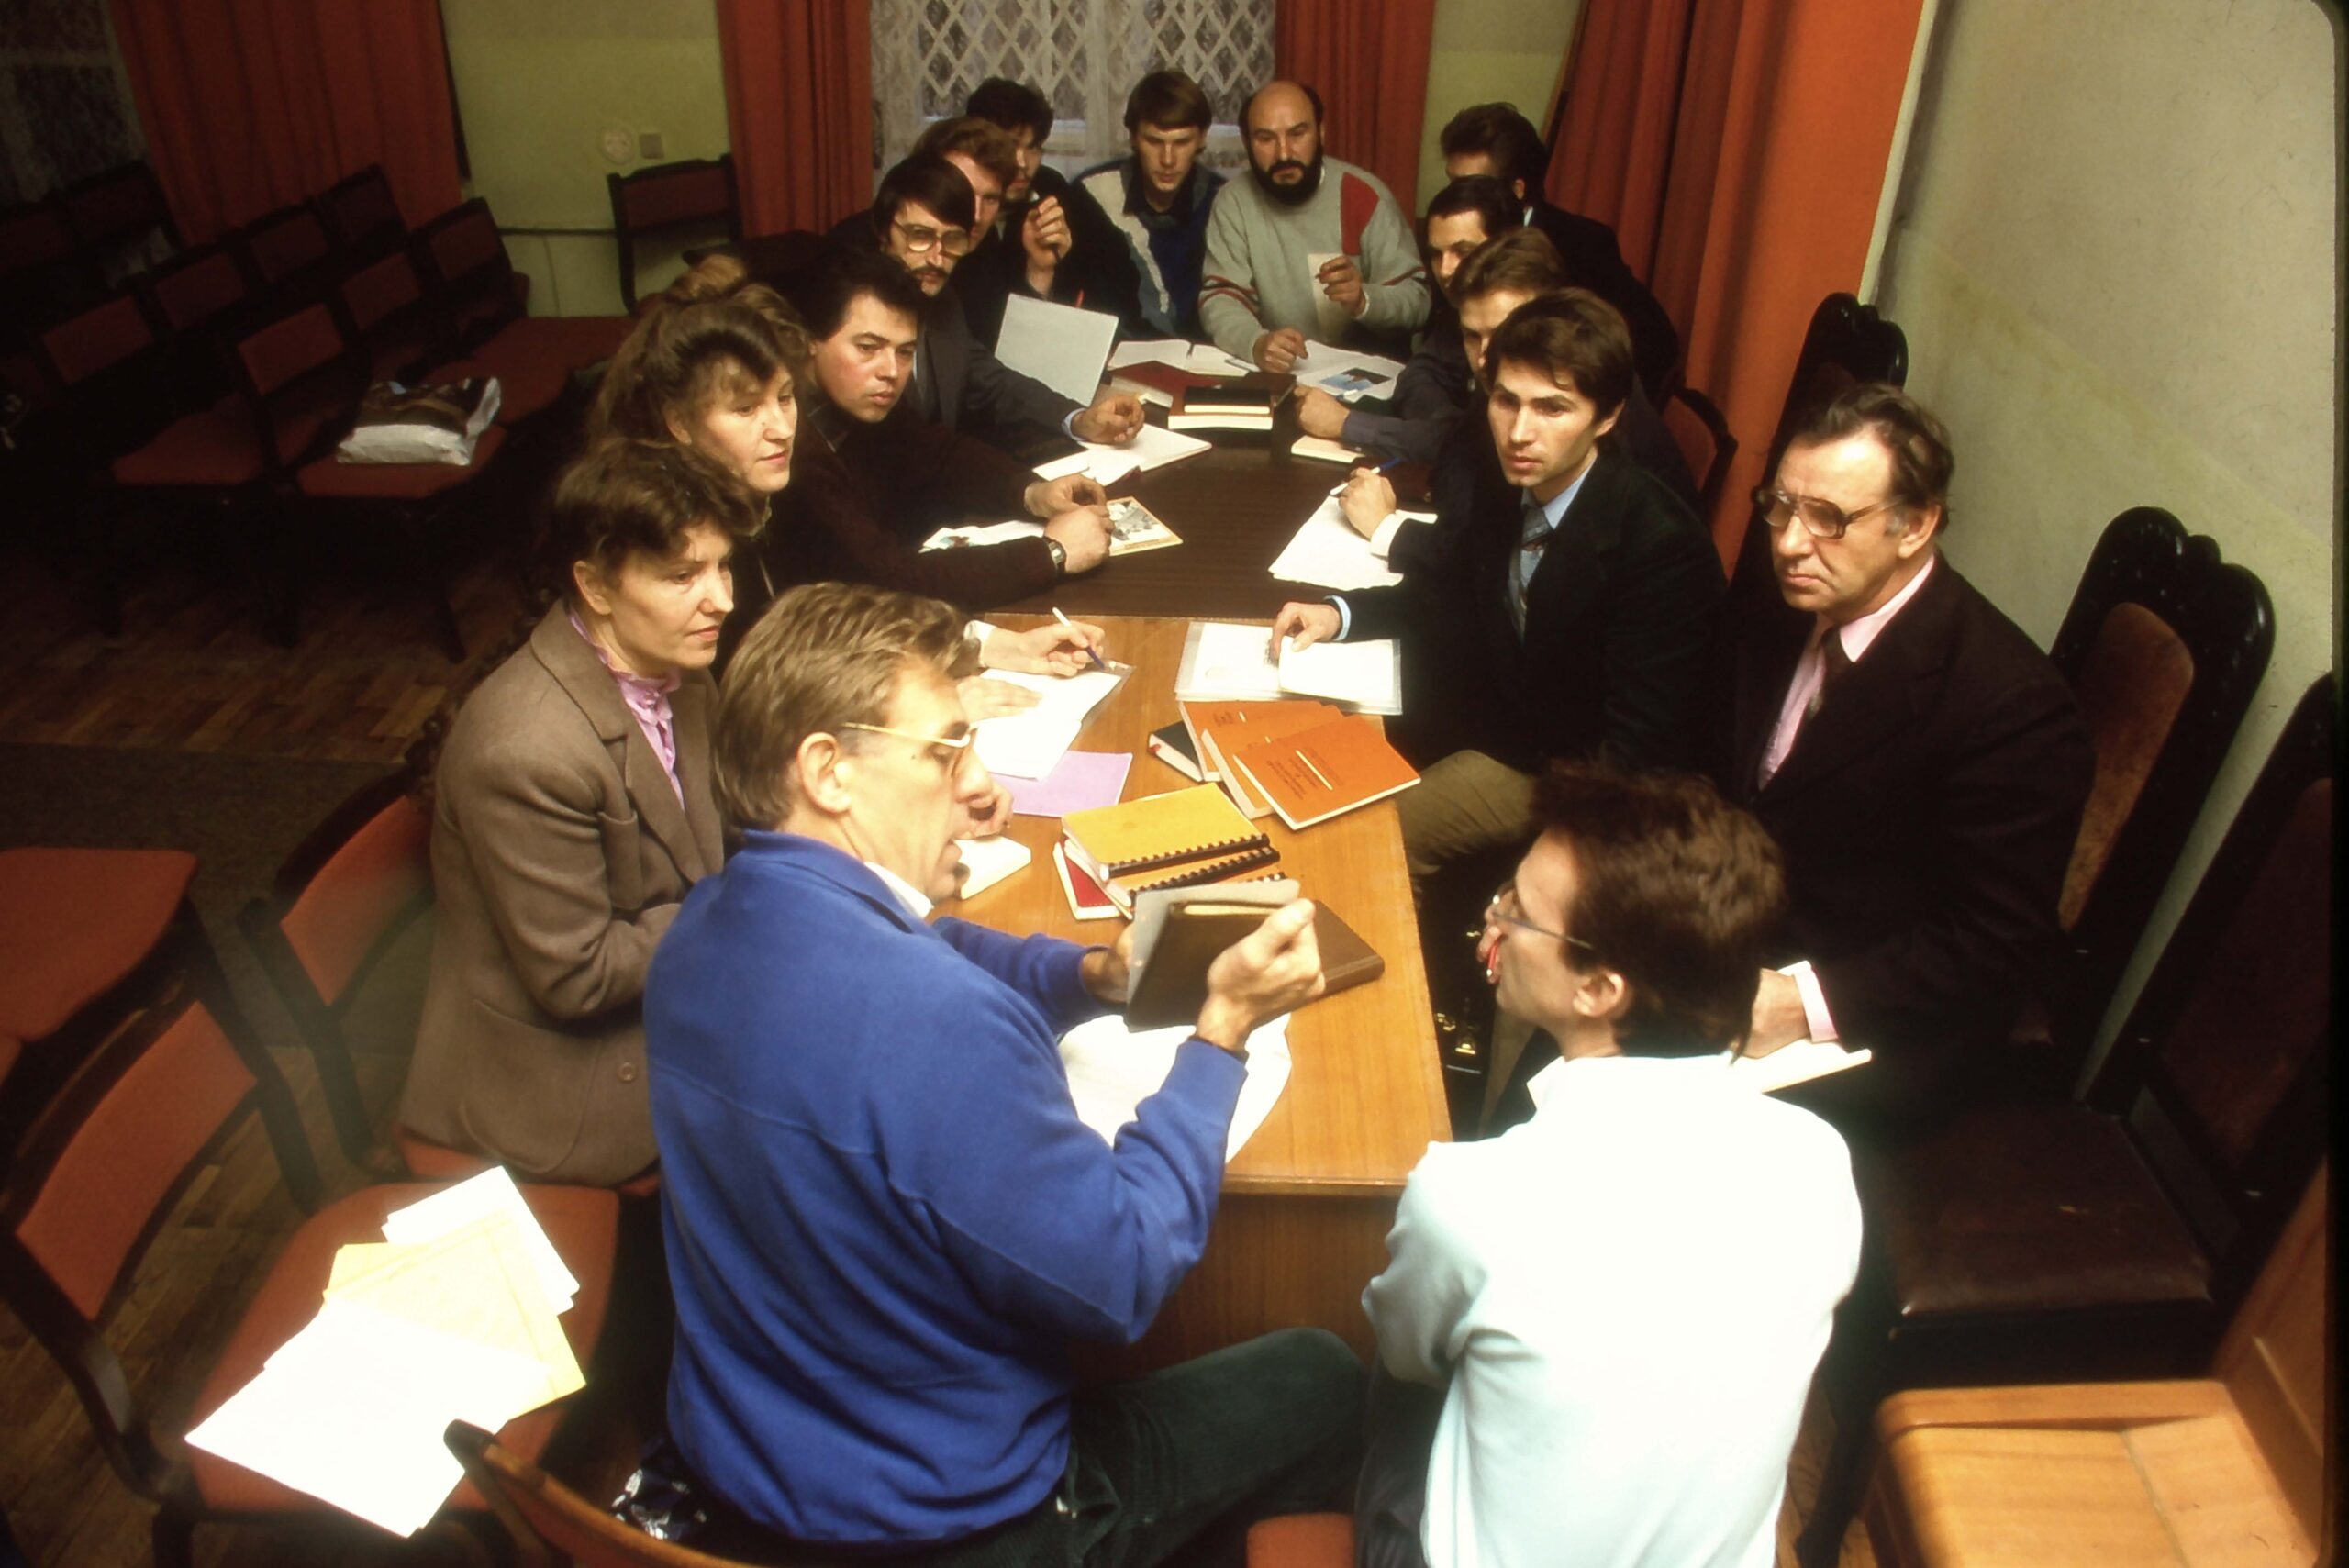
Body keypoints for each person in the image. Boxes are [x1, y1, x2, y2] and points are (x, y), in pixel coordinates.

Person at [642, 582, 1364, 1564]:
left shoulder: (698, 931)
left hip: (746, 1455)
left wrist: (1090, 975)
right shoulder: (941, 1025)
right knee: (1323, 1374)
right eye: (947, 749)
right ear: (828, 771)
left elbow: (930, 947)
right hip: (942, 1519)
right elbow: (1122, 1278)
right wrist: (1221, 1033)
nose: (978, 784)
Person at [1358, 762, 1861, 1568]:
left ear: (1598, 988)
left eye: (1516, 912)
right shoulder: (1820, 1161)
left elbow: (1407, 1354)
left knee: (1383, 1383)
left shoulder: (1468, 1195)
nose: (1492, 919)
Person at [1712, 383, 2092, 1126]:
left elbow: (1993, 943)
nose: (1789, 542)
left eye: (1828, 518)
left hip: (1874, 1023)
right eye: (1780, 506)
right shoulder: (1783, 602)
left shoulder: (2012, 705)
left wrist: (1799, 1002)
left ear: (1915, 524)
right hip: (1732, 940)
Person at [400, 439, 760, 1185]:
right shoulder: (527, 749)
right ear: (594, 586)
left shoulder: (679, 668)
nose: (722, 598)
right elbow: (579, 977)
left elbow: (721, 828)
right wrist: (747, 902)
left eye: (723, 566)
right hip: (565, 1079)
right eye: (683, 575)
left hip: (669, 981)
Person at [1273, 290, 1724, 884]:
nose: (1519, 432)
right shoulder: (1509, 476)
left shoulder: (1661, 546)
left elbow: (1638, 757)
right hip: (1500, 718)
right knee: (1302, 760)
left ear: (1609, 416)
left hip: (1575, 776)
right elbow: (1450, 590)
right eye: (1506, 401)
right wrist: (1340, 614)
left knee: (1373, 844)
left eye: (1552, 409)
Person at [588, 254, 1107, 674]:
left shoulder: (756, 477)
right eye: (746, 408)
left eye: (784, 398)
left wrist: (986, 646)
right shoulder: (689, 522)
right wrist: (1051, 554)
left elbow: (823, 625)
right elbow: (768, 678)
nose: (781, 427)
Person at [771, 244, 1115, 615]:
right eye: (868, 347)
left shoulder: (856, 397)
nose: (891, 371)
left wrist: (1033, 492)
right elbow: (889, 582)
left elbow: (941, 456)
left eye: (905, 352)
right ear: (808, 340)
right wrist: (1052, 553)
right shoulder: (785, 444)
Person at [1303, 228, 1698, 510]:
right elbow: (1460, 459)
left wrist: (1388, 533)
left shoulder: (1592, 398)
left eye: (1504, 332)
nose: (1484, 358)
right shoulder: (1513, 377)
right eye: (1472, 336)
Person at [831, 150, 1142, 452]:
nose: (937, 258)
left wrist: (1079, 420)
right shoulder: (846, 315)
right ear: (883, 233)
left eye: (952, 240)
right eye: (920, 236)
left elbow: (997, 385)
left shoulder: (945, 304)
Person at [1440, 102, 1681, 395]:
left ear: (1516, 191)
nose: (1455, 197)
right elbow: (1442, 348)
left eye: (1471, 186)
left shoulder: (1582, 245)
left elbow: (1644, 348)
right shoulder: (1450, 245)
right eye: (1452, 183)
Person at [1199, 80, 1430, 372]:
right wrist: (1255, 343)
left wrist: (1364, 299)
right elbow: (1220, 299)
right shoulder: (1233, 202)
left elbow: (1418, 303)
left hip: (1361, 376)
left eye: (1297, 134)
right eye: (1266, 139)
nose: (1284, 154)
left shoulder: (1364, 195)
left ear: (1321, 132)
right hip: (1278, 374)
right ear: (1246, 143)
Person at [1289, 175, 1517, 454]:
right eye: (1436, 254)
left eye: (1463, 251)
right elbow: (1419, 374)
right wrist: (1441, 426)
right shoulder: (1460, 306)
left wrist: (1345, 424)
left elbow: (1472, 449)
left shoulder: (1528, 324)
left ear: (1508, 247)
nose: (1446, 270)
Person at [947, 76, 1144, 342]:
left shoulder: (1050, 188)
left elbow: (1115, 272)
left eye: (1033, 148)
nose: (1022, 163)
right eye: (1008, 147)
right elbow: (980, 328)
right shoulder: (954, 206)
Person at [1077, 69, 1227, 339]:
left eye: (1181, 142)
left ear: (1202, 139)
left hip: (1203, 355)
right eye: (1154, 141)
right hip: (1117, 353)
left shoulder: (1224, 201)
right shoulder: (1091, 195)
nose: (1168, 159)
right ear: (1134, 137)